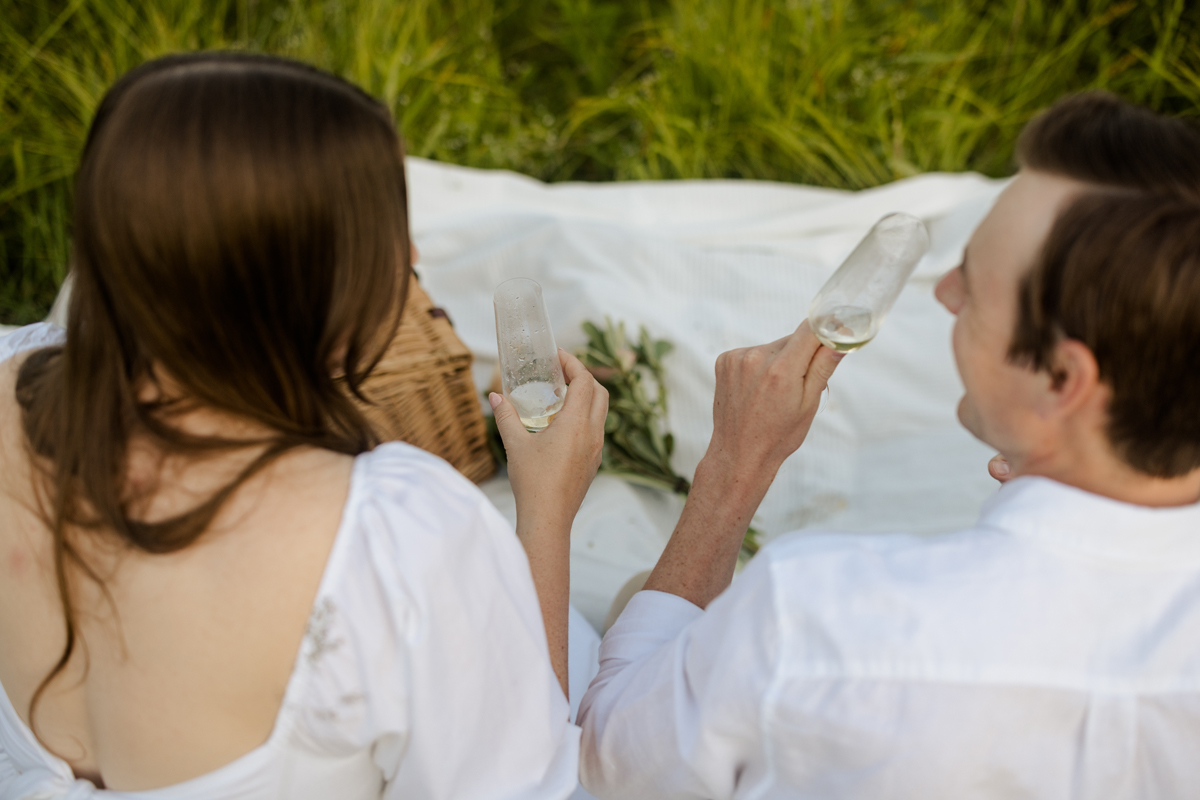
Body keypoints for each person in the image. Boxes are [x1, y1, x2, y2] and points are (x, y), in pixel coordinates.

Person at [0, 53, 608, 798]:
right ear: (308, 284)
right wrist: (546, 510)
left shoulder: (10, 375)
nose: (412, 256)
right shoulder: (397, 543)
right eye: (388, 230)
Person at [577, 91, 1200, 798]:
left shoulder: (816, 618)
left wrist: (732, 467)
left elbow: (608, 757)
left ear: (1061, 380)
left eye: (976, 287)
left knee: (627, 605)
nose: (946, 294)